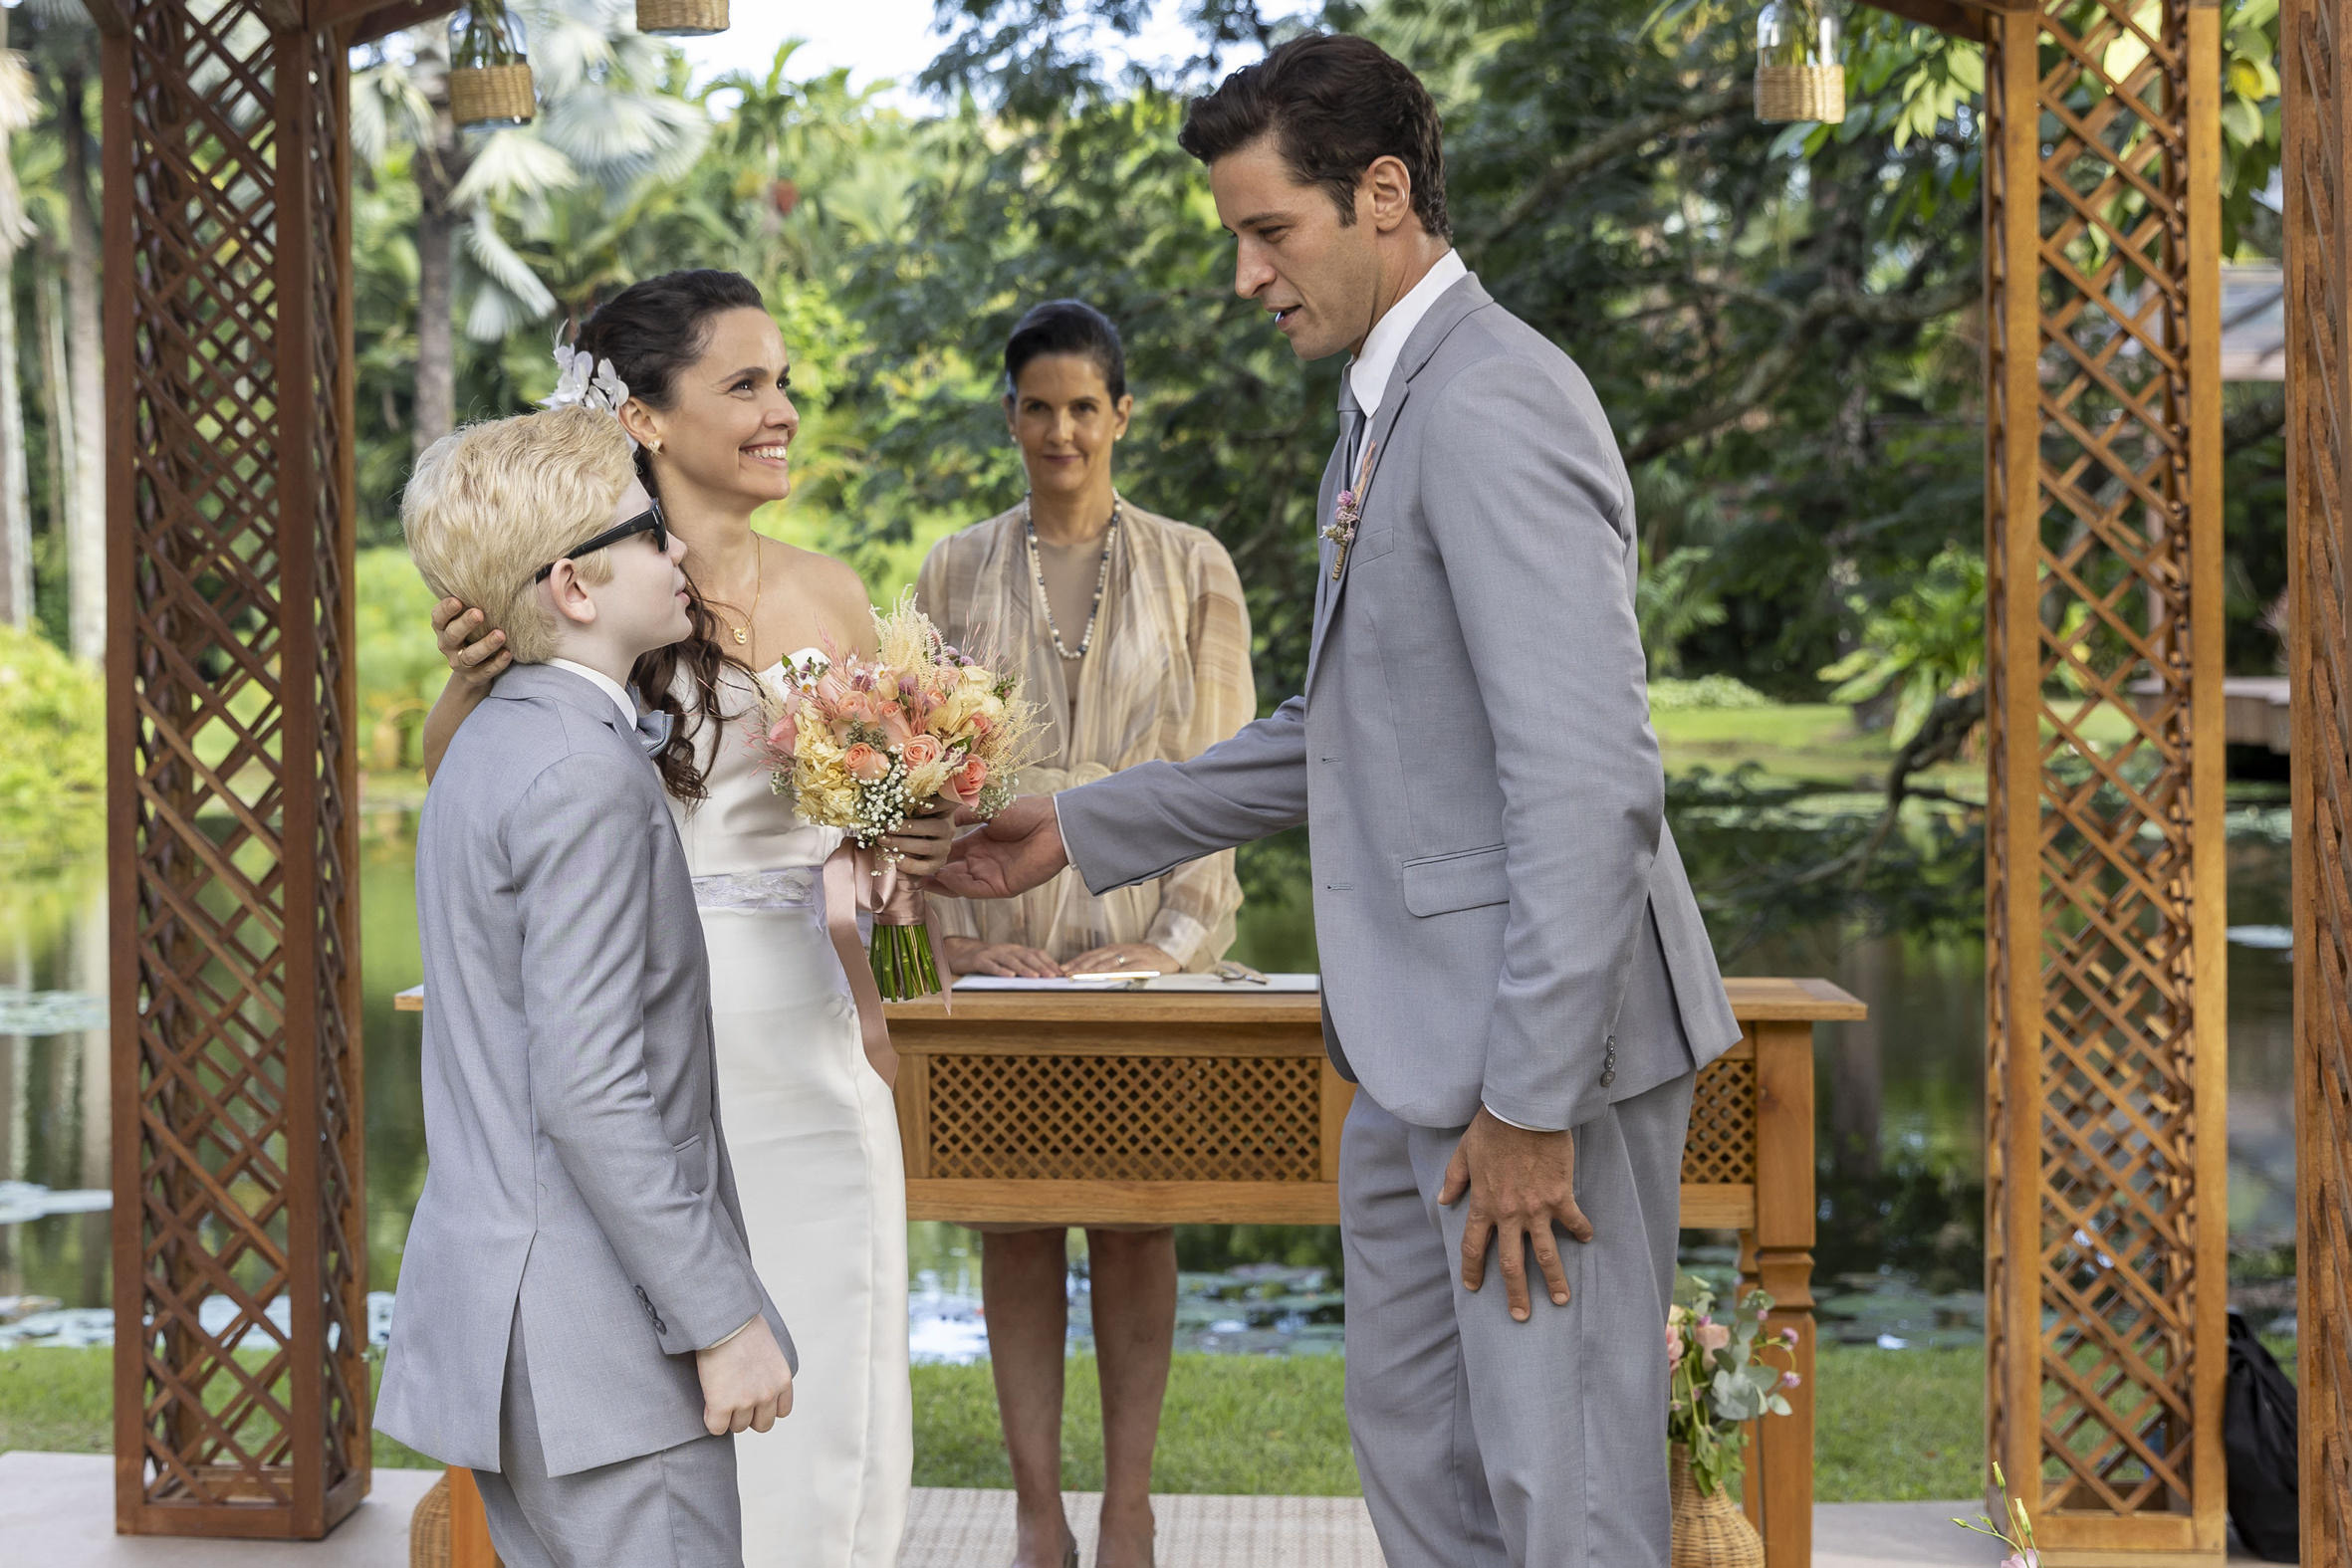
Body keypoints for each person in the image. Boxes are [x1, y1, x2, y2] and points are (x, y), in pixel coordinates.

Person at [933, 34, 1741, 1568]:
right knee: (1424, 1475)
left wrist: (1526, 1101)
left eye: (1266, 232)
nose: (1243, 276)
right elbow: (1349, 725)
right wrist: (1081, 824)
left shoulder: (1498, 399)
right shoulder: (1382, 407)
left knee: (1559, 1498)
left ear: (1380, 196)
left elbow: (1590, 779)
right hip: (1407, 1064)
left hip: (1523, 1065)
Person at [418, 271, 953, 1568]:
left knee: (835, 1396)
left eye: (783, 381)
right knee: (647, 1392)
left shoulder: (828, 590)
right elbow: (483, 798)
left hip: (808, 1043)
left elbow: (863, 843)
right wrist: (465, 677)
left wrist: (905, 845)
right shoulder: (570, 595)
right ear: (647, 419)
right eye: (745, 383)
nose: (780, 410)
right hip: (650, 1051)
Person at [376, 405, 795, 1568]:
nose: (677, 553)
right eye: (649, 531)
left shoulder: (492, 744)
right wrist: (721, 1316)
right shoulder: (579, 775)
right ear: (573, 583)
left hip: (520, 1330)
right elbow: (594, 1092)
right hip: (598, 1347)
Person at [915, 299, 1255, 1568]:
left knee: (1136, 1218)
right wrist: (953, 947)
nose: (1061, 429)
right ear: (1009, 416)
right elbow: (920, 780)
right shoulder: (951, 568)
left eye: (1083, 406)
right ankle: (1034, 1511)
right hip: (998, 956)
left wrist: (1169, 949)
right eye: (1037, 405)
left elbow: (1221, 780)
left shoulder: (1194, 564)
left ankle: (1126, 1506)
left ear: (1121, 415)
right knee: (1011, 1223)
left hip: (1142, 964)